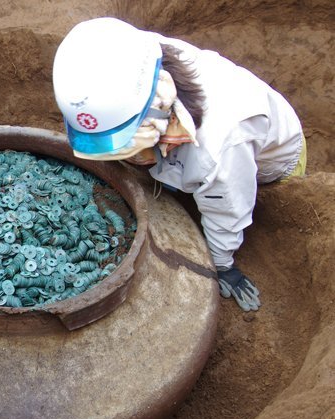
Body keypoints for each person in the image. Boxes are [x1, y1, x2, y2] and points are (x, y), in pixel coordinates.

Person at [52, 18, 307, 312]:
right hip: (204, 146)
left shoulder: (220, 148)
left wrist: (222, 264)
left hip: (273, 159)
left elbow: (228, 210)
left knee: (222, 196)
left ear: (160, 114)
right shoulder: (125, 62)